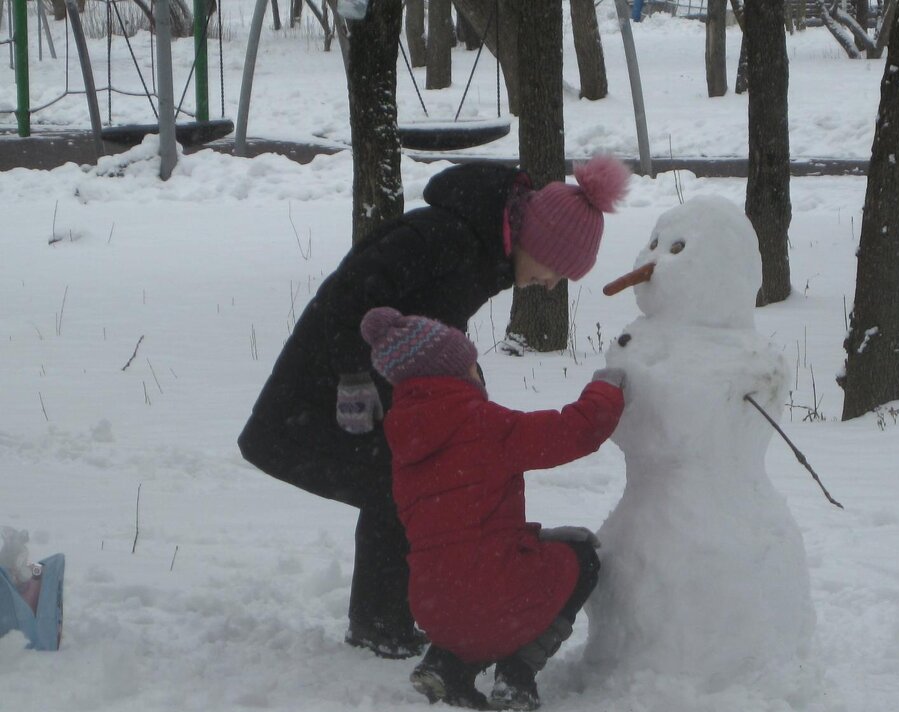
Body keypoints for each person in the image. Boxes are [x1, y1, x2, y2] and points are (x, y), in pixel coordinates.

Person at [237, 156, 630, 659]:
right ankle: (382, 625)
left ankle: (385, 621)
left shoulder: (480, 249)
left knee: (407, 488)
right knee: (399, 488)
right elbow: (355, 294)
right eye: (559, 270)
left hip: (369, 398)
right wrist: (354, 378)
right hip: (322, 396)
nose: (554, 284)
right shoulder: (446, 236)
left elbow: (434, 327)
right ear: (539, 241)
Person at [359, 307, 625, 710]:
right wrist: (607, 390)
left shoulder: (403, 445)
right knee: (581, 555)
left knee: (478, 588)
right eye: (472, 366)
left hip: (432, 607)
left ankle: (447, 665)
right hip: (489, 598)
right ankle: (518, 675)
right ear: (458, 374)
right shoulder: (481, 424)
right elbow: (573, 432)